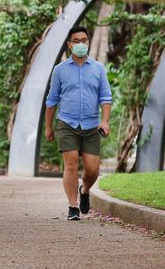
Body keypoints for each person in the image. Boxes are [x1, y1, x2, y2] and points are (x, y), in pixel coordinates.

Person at [44, 26, 112, 221]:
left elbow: (105, 97)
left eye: (84, 40)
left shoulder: (98, 69)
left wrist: (105, 121)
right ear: (69, 44)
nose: (80, 44)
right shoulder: (60, 70)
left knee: (92, 170)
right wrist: (49, 127)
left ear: (88, 42)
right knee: (71, 164)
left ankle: (84, 190)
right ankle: (72, 207)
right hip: (67, 123)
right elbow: (52, 100)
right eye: (76, 41)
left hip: (91, 125)